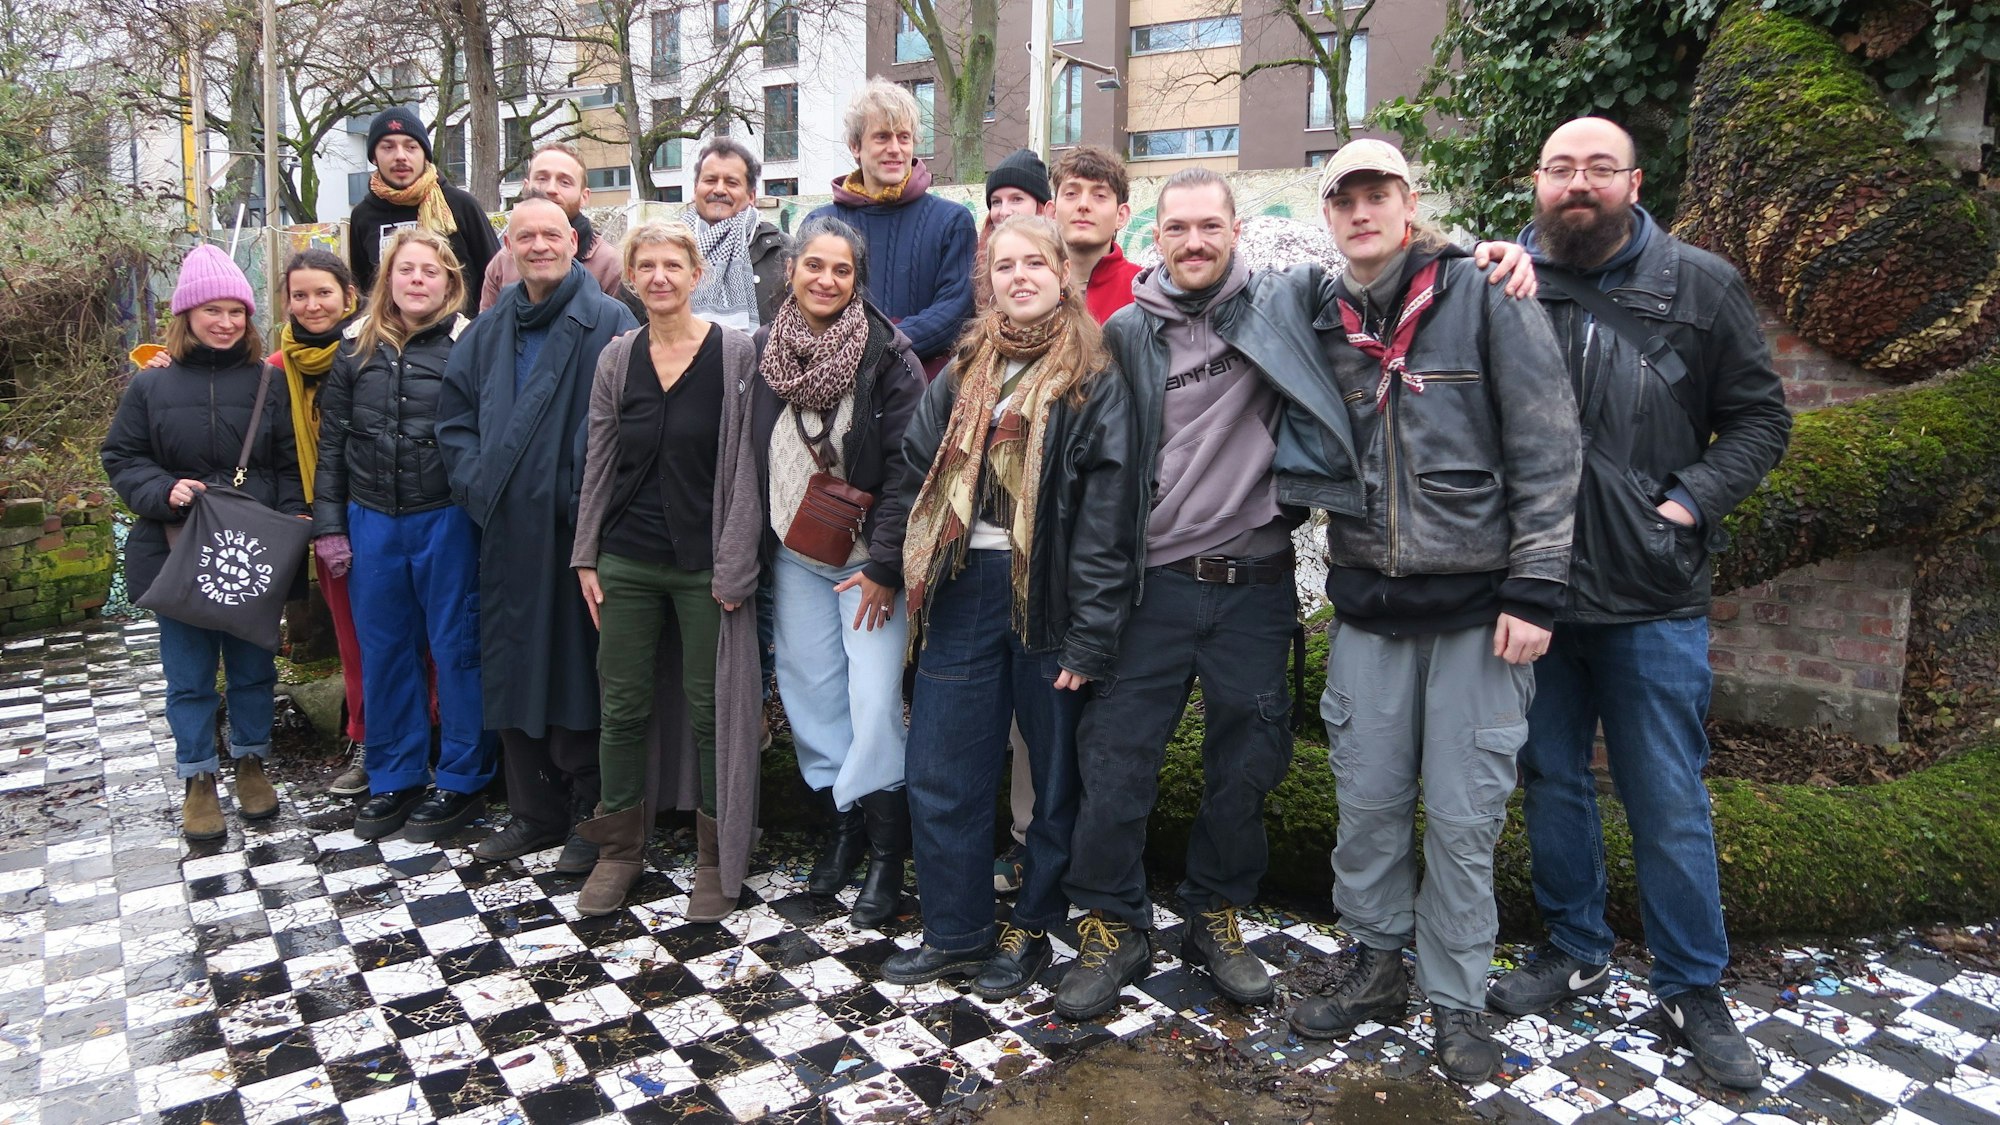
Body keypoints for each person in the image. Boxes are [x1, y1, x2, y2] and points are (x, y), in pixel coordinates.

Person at [1490, 116, 1791, 1091]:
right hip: (1533, 593)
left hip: (1651, 594)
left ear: (1632, 179)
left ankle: (1691, 984)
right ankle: (1571, 944)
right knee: (1551, 782)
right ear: (1535, 182)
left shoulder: (1697, 284)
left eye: (1597, 168)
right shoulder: (1500, 284)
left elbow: (1758, 420)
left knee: (1665, 798)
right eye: (1559, 168)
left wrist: (1686, 503)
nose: (1577, 183)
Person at [1278, 141, 1581, 1086]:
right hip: (1368, 607)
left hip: (1478, 613)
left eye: (1380, 196)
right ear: (1328, 214)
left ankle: (1454, 996)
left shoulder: (1485, 292)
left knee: (1462, 817)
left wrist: (1537, 586)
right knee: (1366, 804)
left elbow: (1547, 441)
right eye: (1346, 200)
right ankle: (1375, 964)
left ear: (1409, 205)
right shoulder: (1316, 315)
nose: (1362, 213)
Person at [884, 216, 1137, 999]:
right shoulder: (966, 368)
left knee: (1053, 776)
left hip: (1047, 600)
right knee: (940, 768)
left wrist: (1090, 635)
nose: (1019, 275)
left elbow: (1107, 516)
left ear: (1064, 272)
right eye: (1004, 265)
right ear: (986, 280)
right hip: (961, 588)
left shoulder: (1094, 375)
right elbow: (915, 463)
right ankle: (955, 930)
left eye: (1036, 262)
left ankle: (1030, 925)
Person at [439, 190, 639, 873]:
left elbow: (623, 426)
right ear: (509, 249)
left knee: (579, 671)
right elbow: (455, 419)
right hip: (501, 529)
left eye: (551, 234)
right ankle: (532, 811)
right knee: (513, 663)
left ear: (577, 242)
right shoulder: (489, 329)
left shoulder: (610, 320)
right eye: (525, 236)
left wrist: (574, 497)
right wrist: (475, 484)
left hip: (576, 534)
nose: (539, 246)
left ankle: (590, 813)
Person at [571, 221, 764, 919]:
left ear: (696, 275)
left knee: (712, 706)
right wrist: (586, 553)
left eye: (671, 265)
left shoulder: (736, 354)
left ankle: (717, 854)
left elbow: (749, 468)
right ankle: (620, 847)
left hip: (704, 562)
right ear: (630, 275)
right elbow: (599, 458)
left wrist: (736, 562)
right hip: (627, 557)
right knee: (620, 704)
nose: (658, 277)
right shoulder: (617, 359)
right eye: (645, 265)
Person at [750, 216, 924, 929]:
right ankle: (843, 828)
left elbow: (910, 469)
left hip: (867, 567)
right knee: (811, 693)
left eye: (841, 270)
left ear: (859, 279)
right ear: (791, 269)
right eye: (813, 265)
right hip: (794, 560)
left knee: (875, 696)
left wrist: (886, 564)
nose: (825, 279)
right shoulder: (763, 352)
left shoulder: (889, 356)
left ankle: (888, 851)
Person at [102, 245, 304, 840]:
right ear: (186, 315)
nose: (225, 322)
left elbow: (291, 464)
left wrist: (290, 524)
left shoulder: (269, 382)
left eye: (236, 311)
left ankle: (250, 762)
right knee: (188, 675)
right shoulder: (151, 386)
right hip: (177, 550)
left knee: (252, 668)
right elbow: (122, 456)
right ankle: (197, 776)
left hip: (251, 555)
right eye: (211, 310)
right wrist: (165, 490)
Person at [313, 228, 496, 843]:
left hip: (445, 517)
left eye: (431, 271)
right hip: (372, 520)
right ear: (387, 279)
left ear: (450, 282)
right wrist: (330, 526)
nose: (417, 280)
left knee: (457, 646)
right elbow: (332, 446)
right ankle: (394, 774)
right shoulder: (353, 350)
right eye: (406, 270)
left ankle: (464, 776)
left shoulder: (469, 345)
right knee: (385, 649)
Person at [807, 79, 977, 379]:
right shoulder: (820, 226)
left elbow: (954, 312)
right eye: (882, 137)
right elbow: (806, 310)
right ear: (855, 146)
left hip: (923, 398)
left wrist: (876, 344)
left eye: (904, 137)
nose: (895, 149)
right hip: (834, 391)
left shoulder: (952, 222)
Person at [348, 107, 498, 314]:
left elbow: (495, 274)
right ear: (374, 156)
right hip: (391, 339)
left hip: (462, 337)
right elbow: (364, 289)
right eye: (388, 147)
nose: (400, 156)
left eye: (411, 147)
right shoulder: (363, 216)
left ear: (425, 154)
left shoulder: (461, 205)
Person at [480, 143, 631, 312]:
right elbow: (487, 332)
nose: (551, 189)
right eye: (542, 179)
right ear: (526, 187)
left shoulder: (610, 266)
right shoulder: (502, 263)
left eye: (565, 182)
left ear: (584, 196)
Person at [684, 138, 791, 329]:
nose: (719, 190)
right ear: (695, 189)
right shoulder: (665, 247)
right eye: (710, 180)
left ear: (751, 196)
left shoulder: (785, 253)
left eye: (731, 183)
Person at [1050, 145, 1141, 324]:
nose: (1083, 205)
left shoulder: (1143, 290)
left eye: (1099, 195)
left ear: (1120, 216)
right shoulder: (1029, 285)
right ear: (1052, 212)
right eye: (1071, 194)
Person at [973, 149, 1051, 309]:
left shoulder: (1058, 261)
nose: (1004, 211)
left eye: (1016, 199)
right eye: (996, 202)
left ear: (1041, 208)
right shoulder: (978, 268)